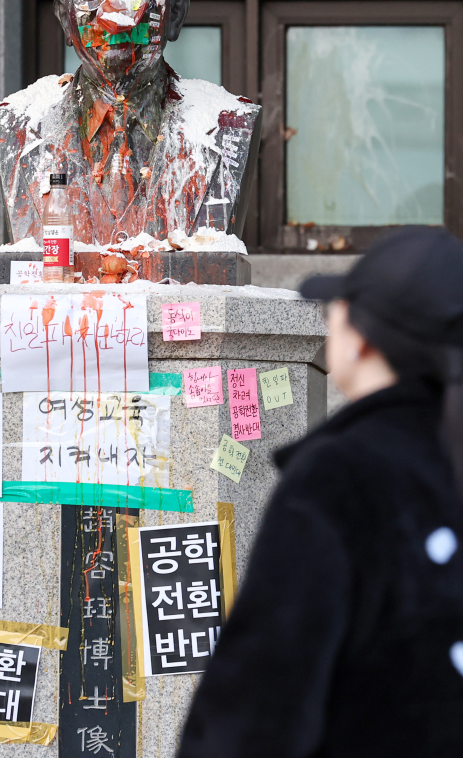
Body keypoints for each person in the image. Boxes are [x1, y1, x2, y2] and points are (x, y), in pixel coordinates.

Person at [176, 227, 463, 757]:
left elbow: (259, 705)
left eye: (336, 307)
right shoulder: (433, 460)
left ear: (362, 334)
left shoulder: (341, 475)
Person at [0, 0, 261, 246]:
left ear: (175, 15)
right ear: (65, 19)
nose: (113, 15)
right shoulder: (17, 123)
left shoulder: (230, 125)